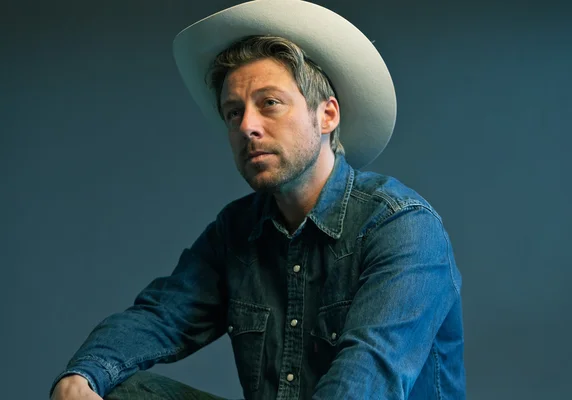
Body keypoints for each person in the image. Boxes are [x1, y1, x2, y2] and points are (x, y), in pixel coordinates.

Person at [49, 1, 466, 399]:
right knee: (116, 390)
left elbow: (367, 376)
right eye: (233, 112)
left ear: (327, 115)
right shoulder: (235, 232)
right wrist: (81, 374)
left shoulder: (403, 227)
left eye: (269, 104)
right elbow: (160, 318)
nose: (247, 125)